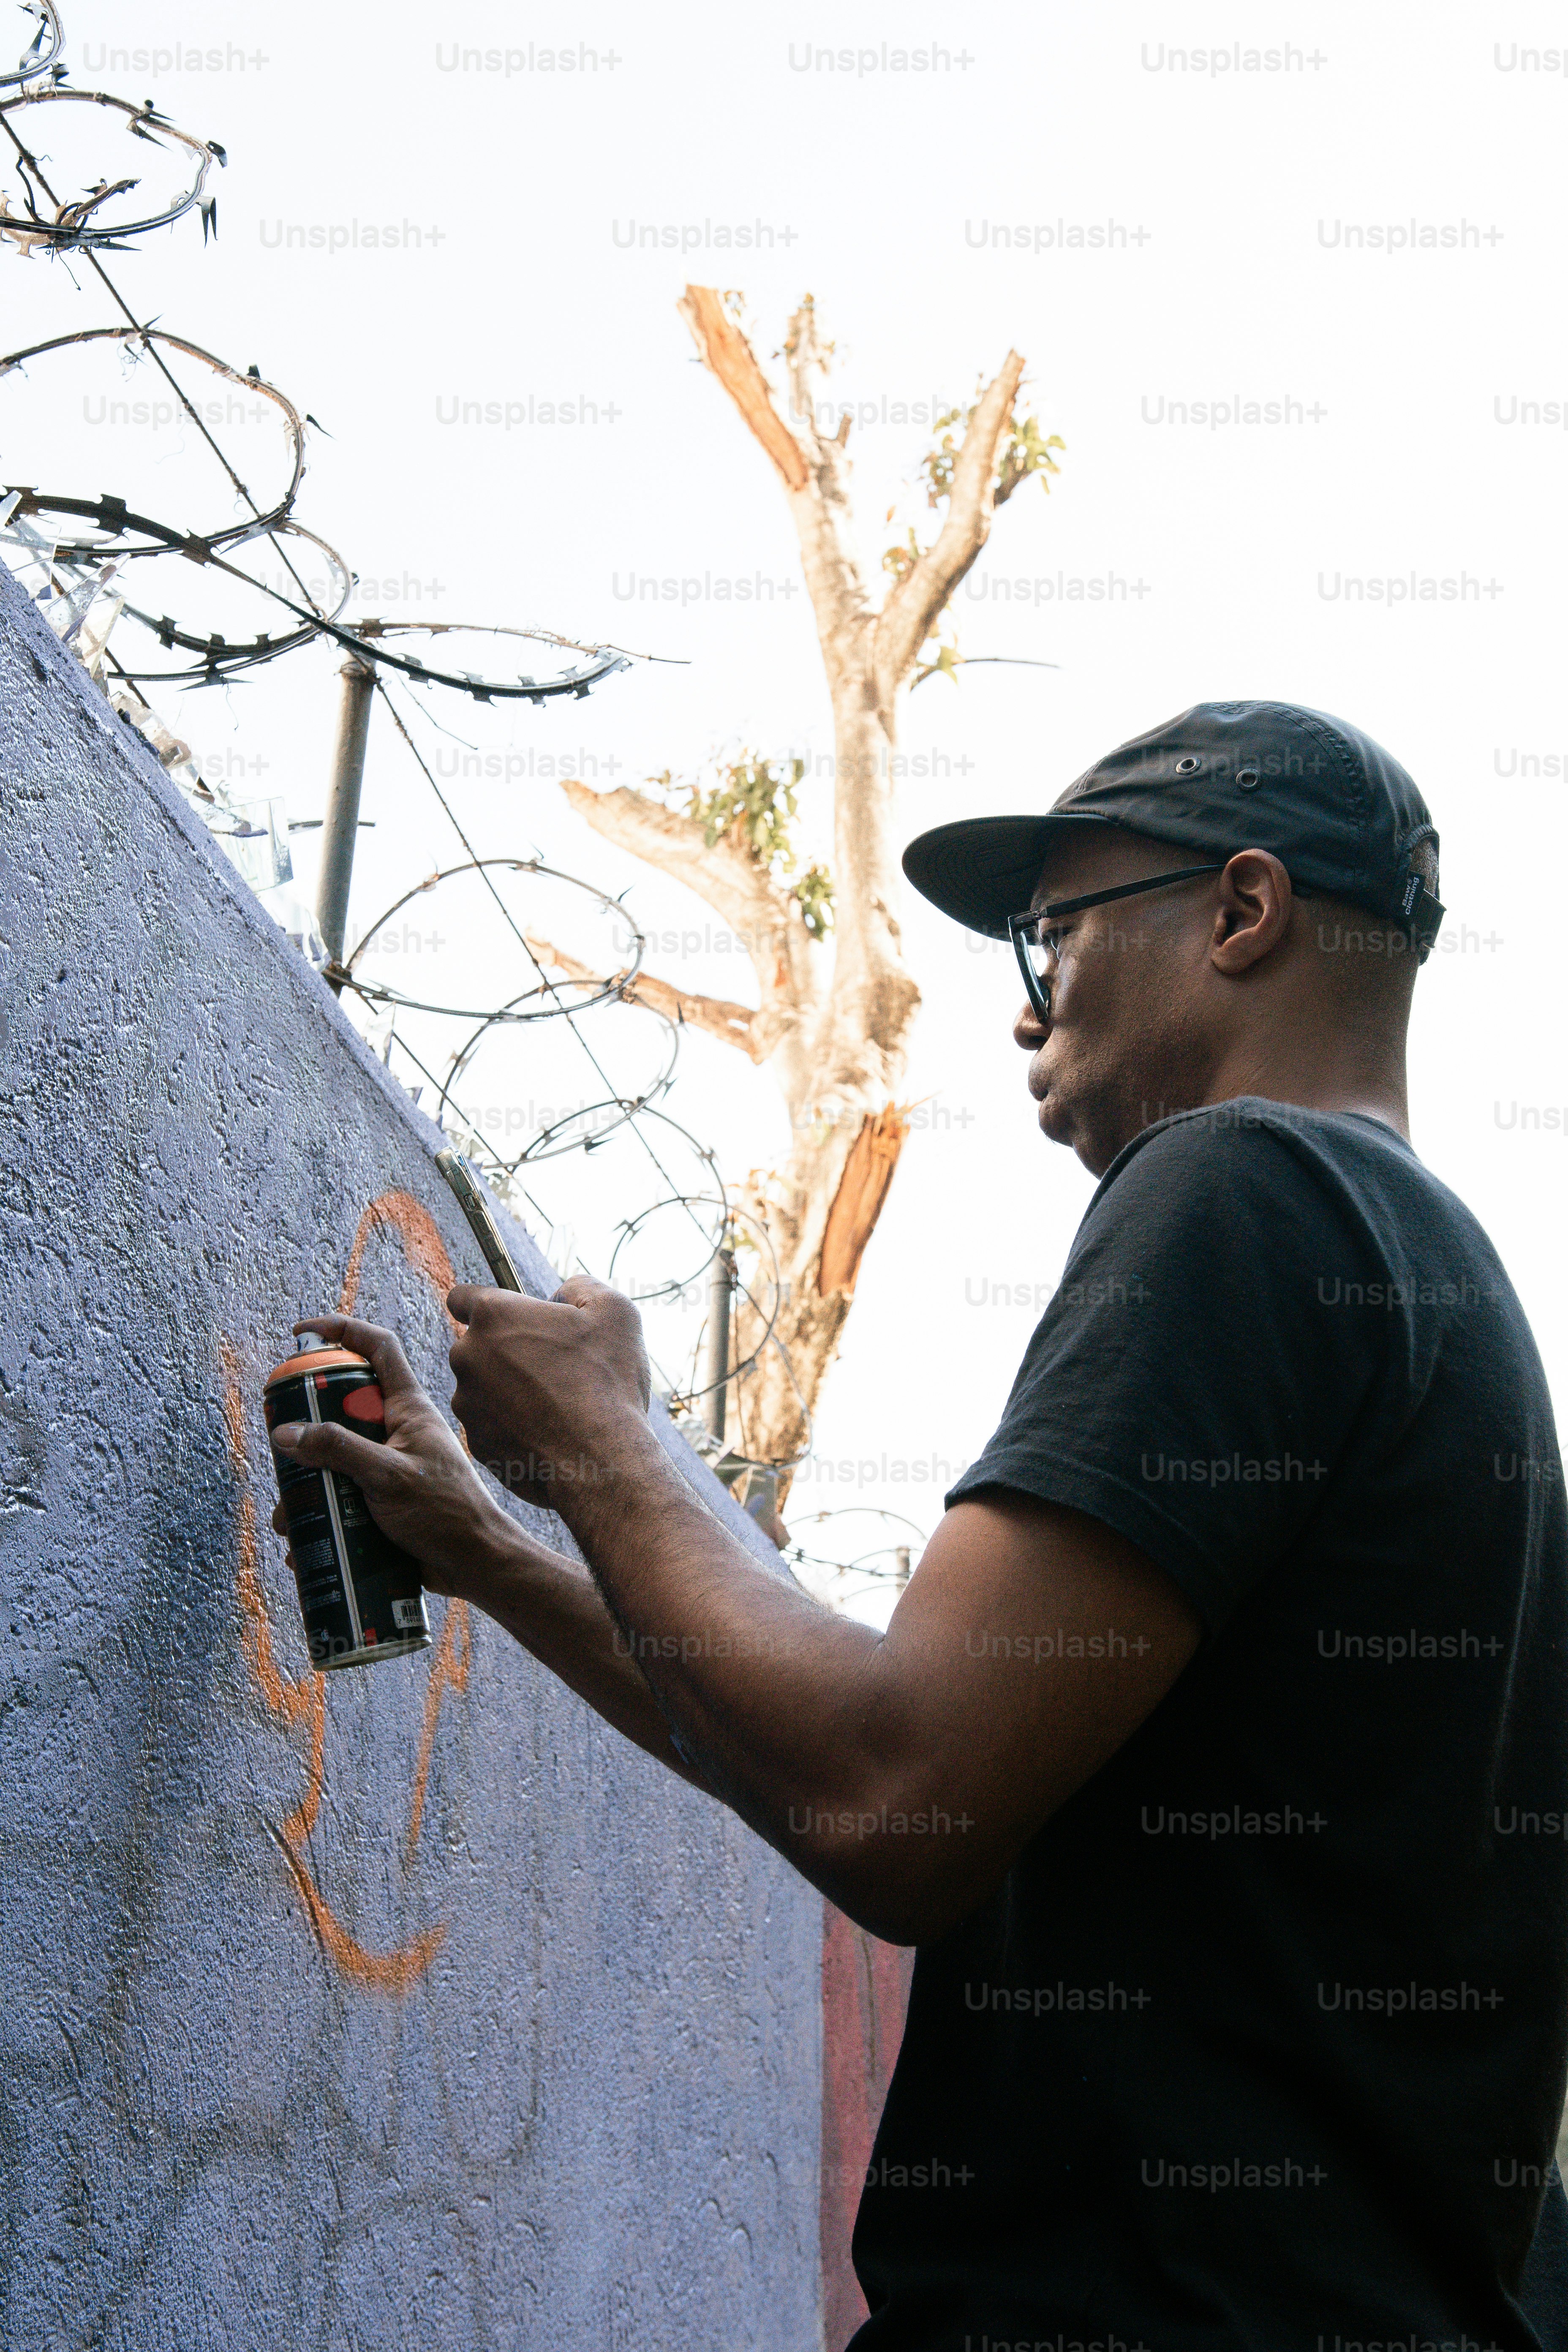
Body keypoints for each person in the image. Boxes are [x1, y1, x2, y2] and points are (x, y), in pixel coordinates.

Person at [271, 701, 1568, 2350]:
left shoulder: (1244, 1188)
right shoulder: (1440, 1293)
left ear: (1241, 914)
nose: (1027, 1020)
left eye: (1052, 940)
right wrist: (496, 1547)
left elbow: (890, 1795)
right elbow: (863, 1752)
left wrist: (605, 1445)